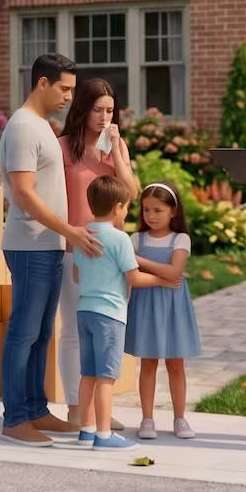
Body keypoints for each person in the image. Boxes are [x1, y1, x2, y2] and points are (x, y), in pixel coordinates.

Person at [0, 52, 103, 447]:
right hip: (30, 246)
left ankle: (37, 410)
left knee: (42, 333)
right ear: (42, 83)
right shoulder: (24, 128)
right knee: (23, 333)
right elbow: (23, 193)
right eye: (64, 88)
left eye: (72, 90)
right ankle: (15, 418)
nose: (69, 97)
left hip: (49, 245)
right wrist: (69, 231)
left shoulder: (42, 125)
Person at [55, 78, 140, 430]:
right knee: (74, 331)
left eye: (109, 110)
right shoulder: (62, 148)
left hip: (109, 255)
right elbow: (53, 199)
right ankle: (77, 409)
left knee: (106, 330)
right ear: (83, 110)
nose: (104, 117)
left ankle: (100, 410)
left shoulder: (115, 148)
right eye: (98, 110)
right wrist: (68, 237)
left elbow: (130, 193)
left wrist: (118, 152)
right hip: (74, 251)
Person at [71, 174, 176, 450]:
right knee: (106, 378)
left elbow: (75, 274)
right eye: (128, 206)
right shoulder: (119, 239)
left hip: (84, 312)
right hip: (110, 316)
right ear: (118, 207)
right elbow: (135, 279)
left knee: (88, 375)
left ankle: (86, 430)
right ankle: (104, 435)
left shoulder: (83, 235)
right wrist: (164, 280)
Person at [124, 182, 203, 440]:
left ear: (173, 212)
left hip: (173, 307)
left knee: (176, 365)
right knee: (147, 364)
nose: (151, 215)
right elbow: (162, 274)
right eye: (146, 210)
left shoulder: (181, 239)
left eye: (158, 210)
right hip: (145, 305)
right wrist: (158, 270)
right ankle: (147, 419)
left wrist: (140, 260)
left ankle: (180, 418)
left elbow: (174, 272)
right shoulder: (136, 239)